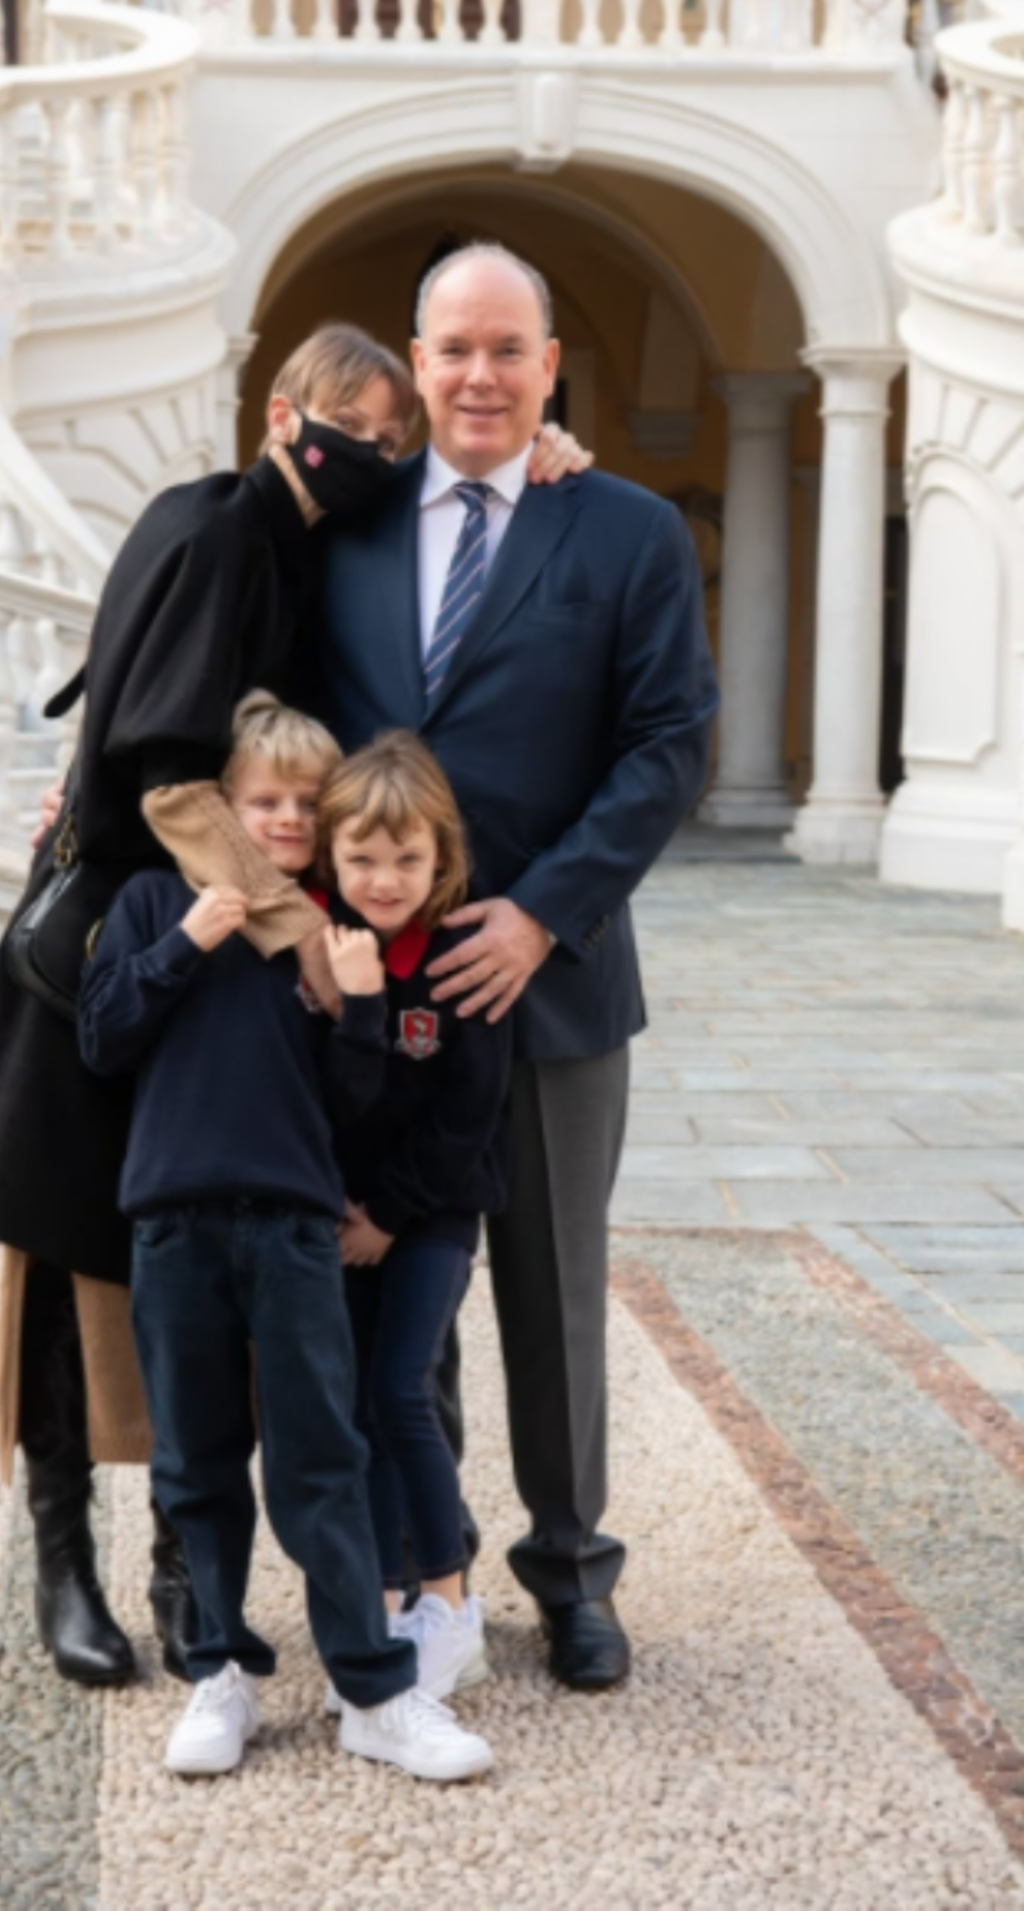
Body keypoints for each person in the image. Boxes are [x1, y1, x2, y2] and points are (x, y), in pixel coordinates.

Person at [0, 317, 587, 1689]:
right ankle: (65, 1566)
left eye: (387, 437)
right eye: (346, 428)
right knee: (71, 1259)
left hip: (226, 960)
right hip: (128, 944)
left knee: (192, 1260)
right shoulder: (213, 529)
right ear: (278, 414)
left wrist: (542, 452)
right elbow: (171, 780)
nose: (368, 452)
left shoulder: (302, 543)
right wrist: (305, 934)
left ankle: (186, 1572)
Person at [314, 244, 720, 1692]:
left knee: (555, 1296)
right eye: (454, 348)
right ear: (415, 362)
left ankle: (573, 1570)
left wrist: (543, 912)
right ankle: (424, 1568)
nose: (479, 375)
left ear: (551, 366)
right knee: (394, 1287)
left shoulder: (625, 531)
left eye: (507, 350)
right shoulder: (346, 527)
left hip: (552, 985)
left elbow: (670, 741)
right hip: (378, 993)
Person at [78, 692, 494, 1784]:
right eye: (265, 799)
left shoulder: (329, 937)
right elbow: (102, 1039)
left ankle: (374, 1691)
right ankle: (220, 1669)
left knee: (323, 1461)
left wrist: (359, 1007)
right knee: (196, 1460)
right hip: (173, 1220)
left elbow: (354, 1106)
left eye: (308, 802)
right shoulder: (153, 899)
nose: (287, 819)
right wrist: (183, 945)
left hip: (297, 1228)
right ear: (227, 800)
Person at [314, 733, 512, 1701]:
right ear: (329, 855)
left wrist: (389, 1214)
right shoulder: (320, 953)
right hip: (342, 1217)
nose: (384, 879)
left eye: (407, 858)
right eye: (361, 857)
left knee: (403, 1390)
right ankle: (387, 1603)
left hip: (430, 1213)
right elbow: (327, 1099)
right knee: (357, 1405)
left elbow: (470, 1113)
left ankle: (449, 1601)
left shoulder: (458, 959)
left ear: (443, 859)